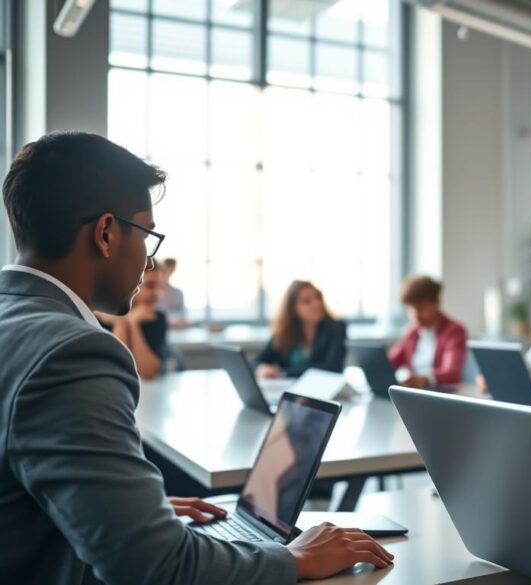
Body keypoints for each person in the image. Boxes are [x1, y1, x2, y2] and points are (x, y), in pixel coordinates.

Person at [0, 132, 392, 584]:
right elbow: (157, 567)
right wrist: (296, 560)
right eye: (147, 235)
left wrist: (112, 509)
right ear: (106, 234)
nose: (150, 262)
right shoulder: (72, 353)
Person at [255, 280, 348, 380]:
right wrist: (261, 369)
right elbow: (258, 361)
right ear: (293, 308)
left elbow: (333, 367)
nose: (316, 304)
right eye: (306, 301)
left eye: (318, 297)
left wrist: (283, 372)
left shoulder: (336, 327)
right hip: (288, 388)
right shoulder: (285, 331)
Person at [388, 275, 468, 389]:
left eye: (421, 308)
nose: (415, 315)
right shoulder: (412, 332)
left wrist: (425, 379)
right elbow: (390, 363)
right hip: (413, 395)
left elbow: (452, 372)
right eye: (411, 308)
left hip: (440, 397)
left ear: (436, 303)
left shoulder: (454, 331)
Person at [96, 264, 168, 380]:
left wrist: (132, 324)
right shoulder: (100, 317)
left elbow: (149, 373)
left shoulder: (156, 317)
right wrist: (121, 323)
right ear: (132, 283)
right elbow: (113, 368)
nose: (156, 293)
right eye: (150, 286)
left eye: (160, 287)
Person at [156, 257, 187, 328]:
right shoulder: (152, 293)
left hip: (175, 331)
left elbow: (183, 315)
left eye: (169, 270)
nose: (166, 273)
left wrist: (180, 321)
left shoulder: (178, 293)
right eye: (163, 270)